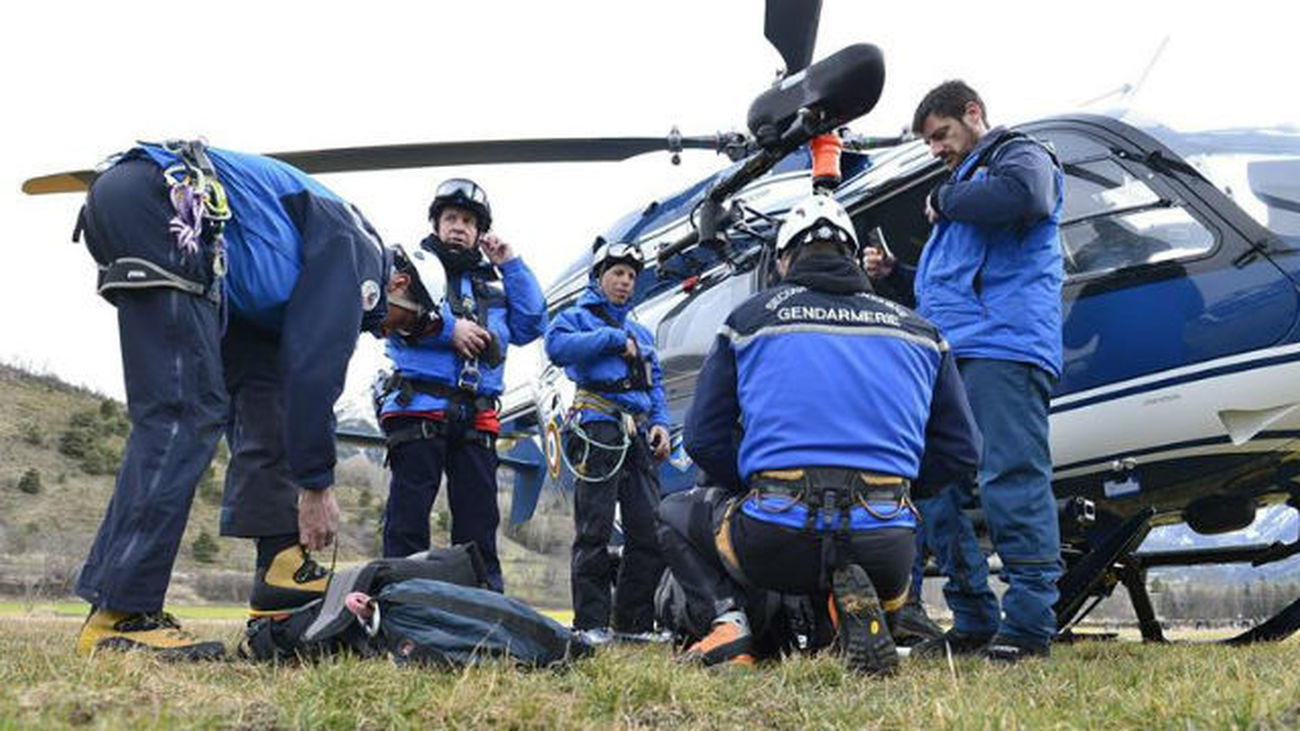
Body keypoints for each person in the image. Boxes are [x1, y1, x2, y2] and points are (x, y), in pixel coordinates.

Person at [73, 140, 443, 659]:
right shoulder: (358, 248)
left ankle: (281, 569)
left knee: (257, 400)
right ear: (399, 281)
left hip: (158, 216)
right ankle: (122, 614)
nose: (386, 334)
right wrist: (317, 485)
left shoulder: (273, 281)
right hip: (165, 208)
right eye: (404, 321)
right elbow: (316, 369)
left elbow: (275, 394)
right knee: (183, 414)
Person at [658, 194, 980, 673]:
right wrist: (906, 487)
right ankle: (847, 618)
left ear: (785, 260)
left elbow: (703, 438)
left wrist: (752, 482)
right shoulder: (921, 330)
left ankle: (727, 627)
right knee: (860, 547)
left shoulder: (749, 320)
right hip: (886, 543)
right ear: (854, 258)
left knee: (672, 512)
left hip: (776, 536)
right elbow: (963, 451)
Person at [866, 80, 1066, 662]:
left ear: (973, 114)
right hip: (953, 355)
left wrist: (947, 200)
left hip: (1005, 348)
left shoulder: (1021, 156)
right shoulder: (967, 190)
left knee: (1011, 475)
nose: (935, 149)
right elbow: (944, 293)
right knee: (936, 483)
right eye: (929, 141)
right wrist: (896, 274)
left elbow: (1026, 198)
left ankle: (1029, 623)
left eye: (941, 135)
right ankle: (974, 613)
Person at [375, 178, 546, 592]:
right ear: (436, 224)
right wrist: (448, 330)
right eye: (450, 218)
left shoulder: (494, 289)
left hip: (478, 416)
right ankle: (400, 602)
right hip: (419, 408)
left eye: (468, 221)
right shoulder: (407, 272)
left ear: (479, 232)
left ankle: (482, 606)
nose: (458, 227)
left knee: (478, 522)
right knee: (408, 517)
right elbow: (384, 313)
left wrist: (512, 265)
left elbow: (531, 324)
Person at [544, 239, 672, 645]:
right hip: (597, 427)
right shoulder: (575, 319)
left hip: (636, 434)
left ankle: (633, 625)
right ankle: (589, 624)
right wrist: (610, 340)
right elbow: (557, 348)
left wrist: (662, 424)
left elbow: (657, 387)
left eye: (632, 276)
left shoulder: (642, 332)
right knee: (594, 529)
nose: (625, 282)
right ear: (599, 278)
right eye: (617, 273)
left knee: (648, 531)